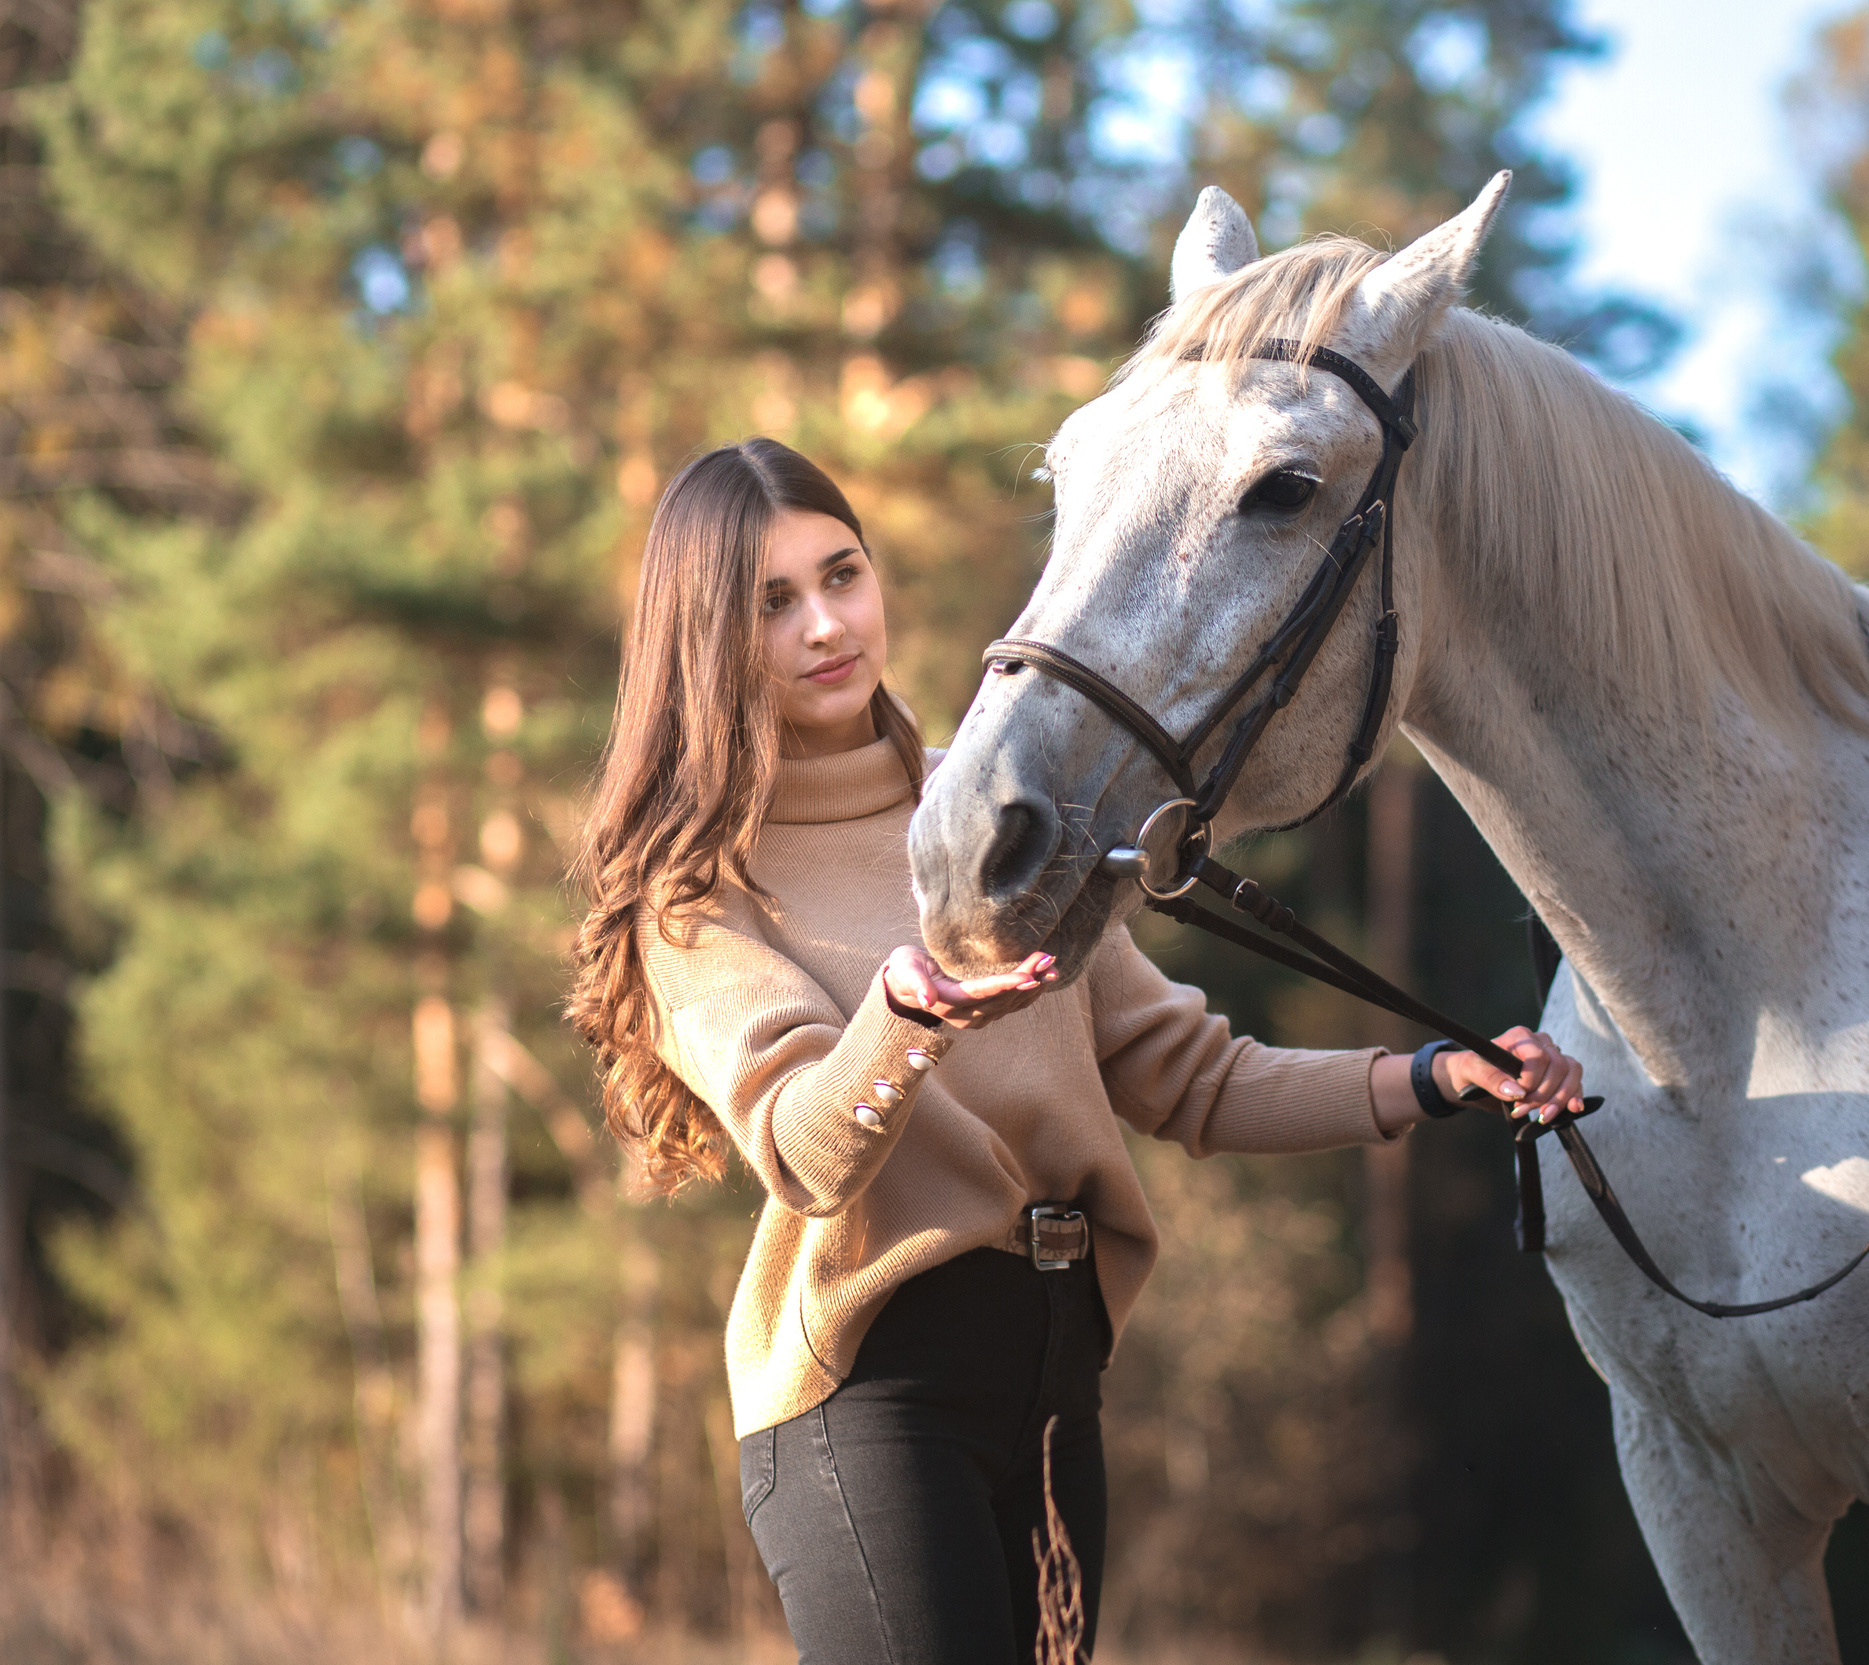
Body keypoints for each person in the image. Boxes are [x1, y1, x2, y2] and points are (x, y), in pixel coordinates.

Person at [568, 438, 1587, 1665]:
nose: (827, 625)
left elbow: (1191, 1078)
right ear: (703, 636)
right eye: (771, 603)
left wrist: (1428, 1078)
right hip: (867, 1392)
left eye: (842, 575)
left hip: (1057, 1373)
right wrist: (908, 1019)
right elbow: (803, 1152)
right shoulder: (695, 894)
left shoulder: (995, 814)